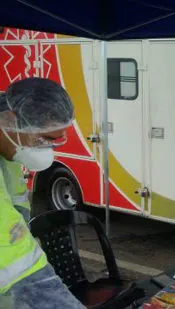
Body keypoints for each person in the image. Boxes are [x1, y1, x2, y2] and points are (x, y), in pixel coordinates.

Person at [0, 78, 85, 309]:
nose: (46, 149)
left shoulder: (8, 151)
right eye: (43, 139)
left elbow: (17, 213)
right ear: (9, 121)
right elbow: (17, 262)